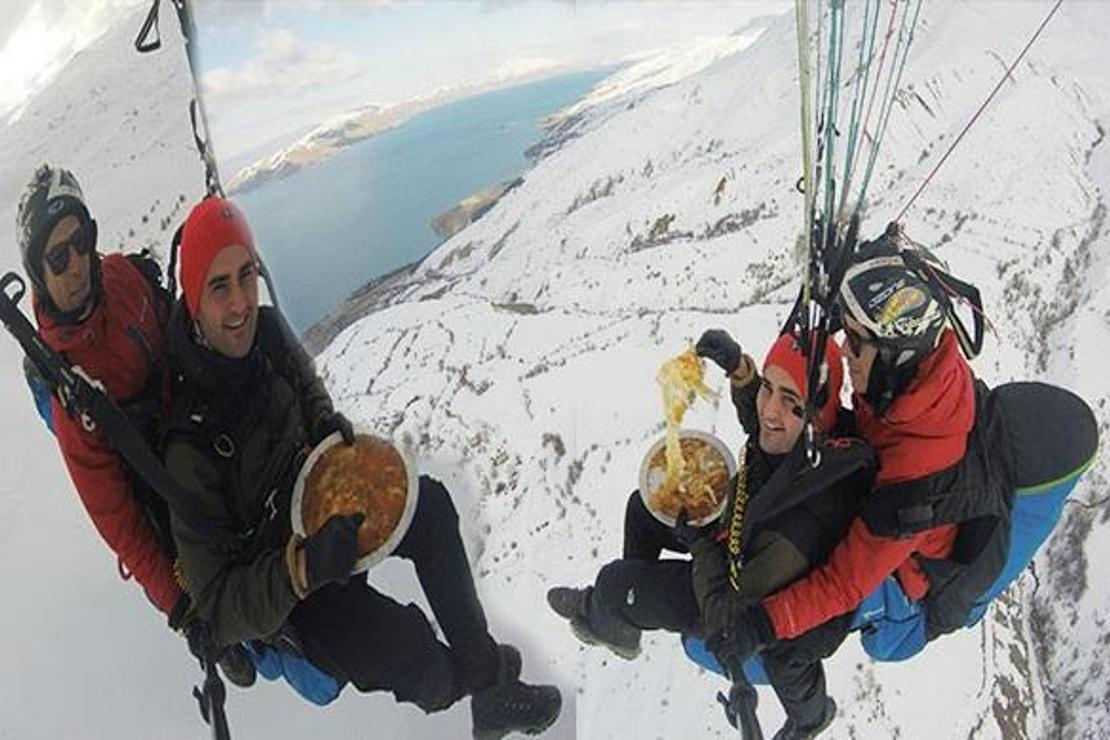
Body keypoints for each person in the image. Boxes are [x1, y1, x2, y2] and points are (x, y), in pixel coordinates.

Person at [161, 196, 561, 739]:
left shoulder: (270, 333)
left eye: (246, 276)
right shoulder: (190, 445)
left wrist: (327, 427)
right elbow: (217, 607)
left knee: (432, 506)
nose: (239, 304)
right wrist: (300, 569)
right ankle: (472, 678)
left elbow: (307, 389)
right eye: (219, 286)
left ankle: (487, 686)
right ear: (193, 301)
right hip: (288, 599)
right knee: (423, 667)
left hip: (322, 508)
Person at [704, 236, 1016, 738]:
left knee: (790, 644)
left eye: (857, 343)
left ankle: (809, 718)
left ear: (895, 355)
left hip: (903, 581)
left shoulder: (916, 479)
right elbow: (819, 425)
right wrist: (747, 380)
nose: (845, 351)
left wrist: (762, 624)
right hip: (879, 508)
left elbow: (843, 583)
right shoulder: (911, 381)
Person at [547, 329, 873, 739]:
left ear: (814, 413)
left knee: (616, 584)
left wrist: (700, 547)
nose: (770, 409)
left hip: (744, 600)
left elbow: (735, 599)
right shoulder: (814, 433)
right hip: (744, 538)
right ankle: (628, 621)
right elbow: (766, 428)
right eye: (768, 389)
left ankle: (609, 610)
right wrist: (740, 371)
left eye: (789, 402)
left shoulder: (807, 520)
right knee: (642, 509)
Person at [14, 165, 254, 686]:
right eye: (59, 256)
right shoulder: (69, 391)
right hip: (152, 481)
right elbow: (117, 516)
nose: (77, 264)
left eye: (82, 242)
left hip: (190, 435)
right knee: (246, 625)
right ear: (39, 271)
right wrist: (180, 607)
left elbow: (181, 334)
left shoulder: (126, 279)